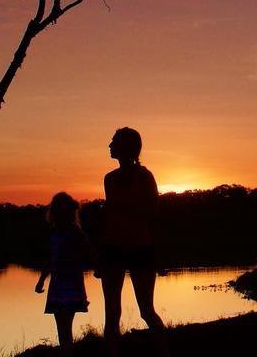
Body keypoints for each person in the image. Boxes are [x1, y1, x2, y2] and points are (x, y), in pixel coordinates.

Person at [99, 127, 168, 357]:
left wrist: (158, 256)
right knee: (111, 313)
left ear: (127, 147)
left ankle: (165, 351)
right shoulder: (109, 179)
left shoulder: (145, 177)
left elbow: (154, 218)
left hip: (141, 249)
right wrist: (101, 255)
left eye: (114, 142)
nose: (109, 145)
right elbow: (110, 219)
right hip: (113, 249)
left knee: (146, 311)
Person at [35, 192, 95, 357]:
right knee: (62, 329)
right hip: (57, 286)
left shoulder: (75, 232)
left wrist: (99, 267)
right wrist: (41, 281)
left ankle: (66, 353)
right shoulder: (53, 233)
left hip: (71, 286)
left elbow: (89, 251)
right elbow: (49, 259)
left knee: (64, 327)